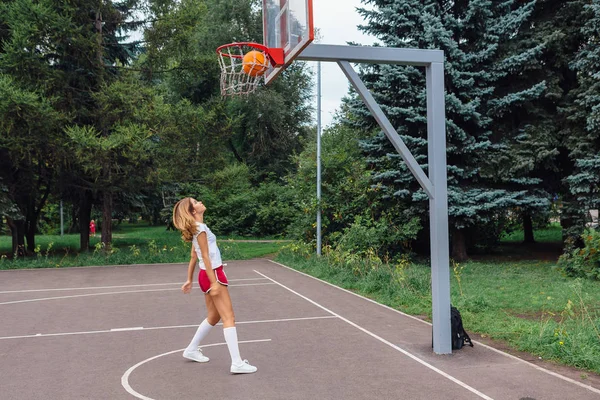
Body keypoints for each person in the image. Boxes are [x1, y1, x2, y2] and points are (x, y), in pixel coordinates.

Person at [172, 197, 257, 374]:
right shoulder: (200, 229)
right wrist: (213, 282)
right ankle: (237, 363)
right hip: (213, 275)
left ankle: (191, 349)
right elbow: (205, 256)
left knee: (214, 316)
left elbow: (194, 257)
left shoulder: (197, 228)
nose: (200, 201)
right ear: (193, 211)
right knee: (229, 317)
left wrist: (189, 279)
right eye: (195, 202)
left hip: (205, 275)